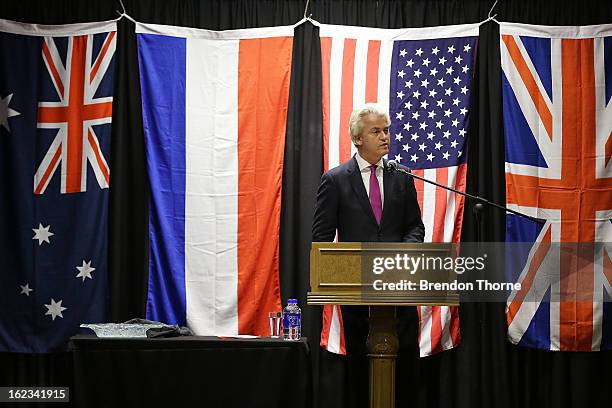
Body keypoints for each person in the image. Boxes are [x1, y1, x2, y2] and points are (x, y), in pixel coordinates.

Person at [312, 103, 425, 407]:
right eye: (376, 131)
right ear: (358, 138)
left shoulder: (401, 175)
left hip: (399, 290)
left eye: (386, 130)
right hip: (357, 295)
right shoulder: (336, 180)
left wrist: (402, 256)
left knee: (404, 370)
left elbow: (415, 226)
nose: (385, 136)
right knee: (362, 372)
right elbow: (321, 238)